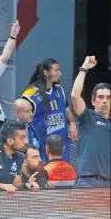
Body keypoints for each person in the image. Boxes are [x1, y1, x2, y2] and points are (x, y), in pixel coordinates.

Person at [22, 58, 77, 162]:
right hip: (42, 150)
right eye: (56, 70)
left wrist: (73, 123)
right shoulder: (30, 95)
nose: (60, 73)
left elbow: (67, 110)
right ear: (46, 73)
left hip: (62, 148)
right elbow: (20, 121)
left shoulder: (59, 90)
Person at [70, 56, 110, 187]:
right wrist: (84, 68)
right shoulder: (87, 117)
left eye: (108, 98)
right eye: (101, 97)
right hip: (87, 183)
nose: (104, 100)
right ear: (93, 101)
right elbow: (75, 95)